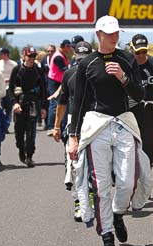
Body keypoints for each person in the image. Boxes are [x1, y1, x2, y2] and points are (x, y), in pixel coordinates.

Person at [67, 15, 148, 246]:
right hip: (97, 125)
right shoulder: (86, 64)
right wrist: (73, 136)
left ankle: (117, 213)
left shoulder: (126, 58)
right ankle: (107, 237)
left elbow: (140, 93)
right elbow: (79, 102)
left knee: (128, 181)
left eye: (116, 33)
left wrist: (123, 77)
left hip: (123, 122)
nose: (114, 37)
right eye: (109, 33)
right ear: (98, 34)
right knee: (100, 186)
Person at [52, 41, 93, 222]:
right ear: (75, 57)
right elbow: (62, 102)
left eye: (86, 59)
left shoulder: (99, 72)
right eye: (80, 58)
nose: (83, 62)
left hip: (95, 122)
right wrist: (56, 126)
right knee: (75, 164)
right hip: (73, 123)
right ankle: (79, 202)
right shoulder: (69, 74)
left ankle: (93, 198)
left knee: (95, 164)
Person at [129, 33, 153, 166]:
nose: (141, 55)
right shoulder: (127, 66)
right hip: (130, 111)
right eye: (138, 52)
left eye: (144, 51)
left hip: (150, 110)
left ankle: (148, 166)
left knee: (147, 144)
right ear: (131, 50)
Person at [9, 47, 47, 167]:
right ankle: (21, 150)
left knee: (31, 132)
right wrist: (14, 102)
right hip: (19, 104)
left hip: (33, 104)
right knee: (19, 133)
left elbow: (44, 90)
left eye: (33, 56)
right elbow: (10, 89)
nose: (31, 59)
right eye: (29, 56)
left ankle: (29, 156)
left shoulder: (38, 70)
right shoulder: (17, 69)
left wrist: (43, 107)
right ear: (24, 56)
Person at [46, 39, 72, 136]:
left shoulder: (60, 55)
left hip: (58, 81)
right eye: (68, 46)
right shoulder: (58, 57)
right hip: (54, 81)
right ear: (64, 46)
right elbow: (64, 69)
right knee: (54, 104)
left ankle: (57, 125)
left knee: (59, 103)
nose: (69, 49)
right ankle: (51, 127)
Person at [0, 48, 17, 133]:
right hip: (0, 88)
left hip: (9, 88)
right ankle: (1, 125)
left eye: (2, 54)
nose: (0, 56)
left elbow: (16, 76)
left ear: (6, 54)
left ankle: (6, 125)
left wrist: (10, 80)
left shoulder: (13, 64)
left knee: (8, 108)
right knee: (0, 107)